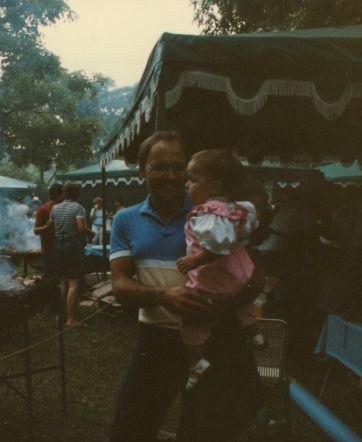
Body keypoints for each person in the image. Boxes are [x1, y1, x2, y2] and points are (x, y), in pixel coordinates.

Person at [109, 131, 263, 441]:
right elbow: (120, 285)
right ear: (142, 170)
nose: (171, 176)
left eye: (179, 167)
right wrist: (163, 296)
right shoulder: (125, 220)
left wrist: (220, 306)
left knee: (206, 430)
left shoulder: (214, 214)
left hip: (214, 335)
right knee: (131, 427)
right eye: (159, 167)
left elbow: (252, 277)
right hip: (156, 341)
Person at [175, 150, 265, 391]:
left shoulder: (207, 212)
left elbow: (218, 246)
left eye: (193, 179)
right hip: (240, 273)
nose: (187, 184)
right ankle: (254, 333)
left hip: (215, 279)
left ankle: (197, 362)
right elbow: (245, 231)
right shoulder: (233, 208)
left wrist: (194, 261)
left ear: (214, 186)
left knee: (192, 321)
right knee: (239, 303)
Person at [50, 183, 90, 327]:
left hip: (57, 245)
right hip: (71, 245)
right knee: (74, 283)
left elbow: (52, 226)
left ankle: (60, 315)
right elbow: (80, 228)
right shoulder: (78, 207)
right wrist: (88, 231)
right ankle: (71, 319)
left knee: (62, 283)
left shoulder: (55, 207)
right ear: (77, 194)